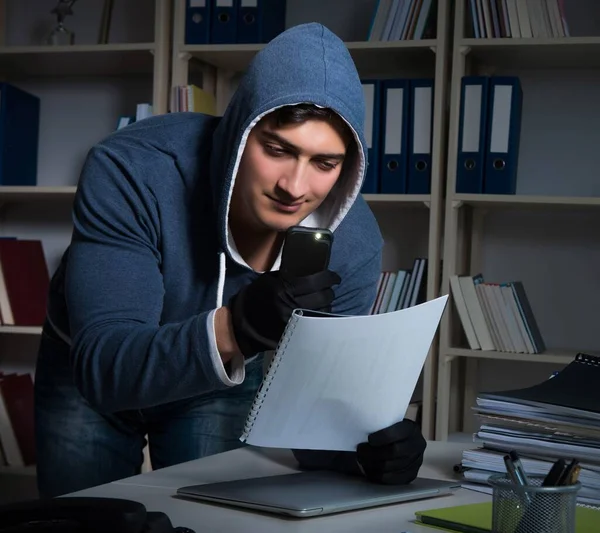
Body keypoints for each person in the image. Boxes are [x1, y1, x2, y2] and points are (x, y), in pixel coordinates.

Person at [34, 22, 426, 498]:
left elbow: (313, 413)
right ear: (241, 131)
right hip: (95, 367)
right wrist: (236, 328)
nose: (295, 187)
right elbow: (104, 369)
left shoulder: (353, 241)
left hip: (221, 373)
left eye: (325, 163)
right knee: (82, 521)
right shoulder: (132, 170)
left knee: (213, 519)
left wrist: (364, 450)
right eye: (279, 150)